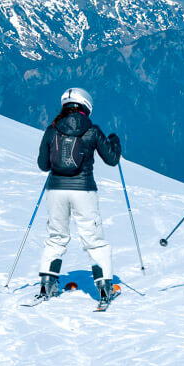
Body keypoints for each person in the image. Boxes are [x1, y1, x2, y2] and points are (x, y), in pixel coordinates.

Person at [35, 87, 122, 304]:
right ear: (86, 106)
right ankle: (104, 289)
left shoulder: (52, 130)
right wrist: (115, 142)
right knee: (94, 240)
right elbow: (112, 159)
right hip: (84, 189)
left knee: (56, 237)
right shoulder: (92, 130)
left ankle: (47, 285)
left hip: (56, 189)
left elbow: (42, 165)